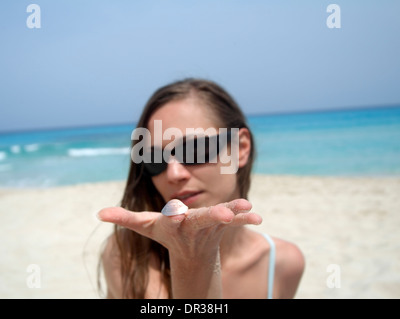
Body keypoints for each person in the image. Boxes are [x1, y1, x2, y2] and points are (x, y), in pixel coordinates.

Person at [97, 78, 304, 299]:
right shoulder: (128, 256)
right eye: (154, 159)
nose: (174, 174)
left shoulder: (284, 262)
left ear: (240, 148)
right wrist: (190, 258)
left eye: (194, 150)